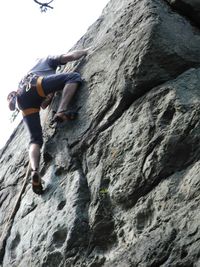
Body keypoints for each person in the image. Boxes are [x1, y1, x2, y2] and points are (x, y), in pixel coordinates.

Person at [7, 48, 89, 195]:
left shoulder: (30, 71)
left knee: (35, 139)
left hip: (23, 100)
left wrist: (49, 96)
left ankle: (34, 170)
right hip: (35, 84)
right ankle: (62, 110)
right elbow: (70, 56)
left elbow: (44, 105)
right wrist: (85, 51)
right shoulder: (47, 59)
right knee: (73, 77)